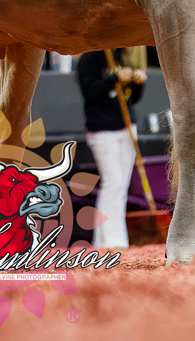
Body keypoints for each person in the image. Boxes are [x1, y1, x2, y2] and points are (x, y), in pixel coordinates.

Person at [76, 49, 145, 250]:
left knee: (121, 186)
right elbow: (88, 91)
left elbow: (132, 98)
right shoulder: (91, 56)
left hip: (127, 126)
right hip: (103, 130)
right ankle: (113, 240)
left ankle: (106, 239)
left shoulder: (122, 54)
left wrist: (138, 82)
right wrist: (115, 78)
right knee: (113, 183)